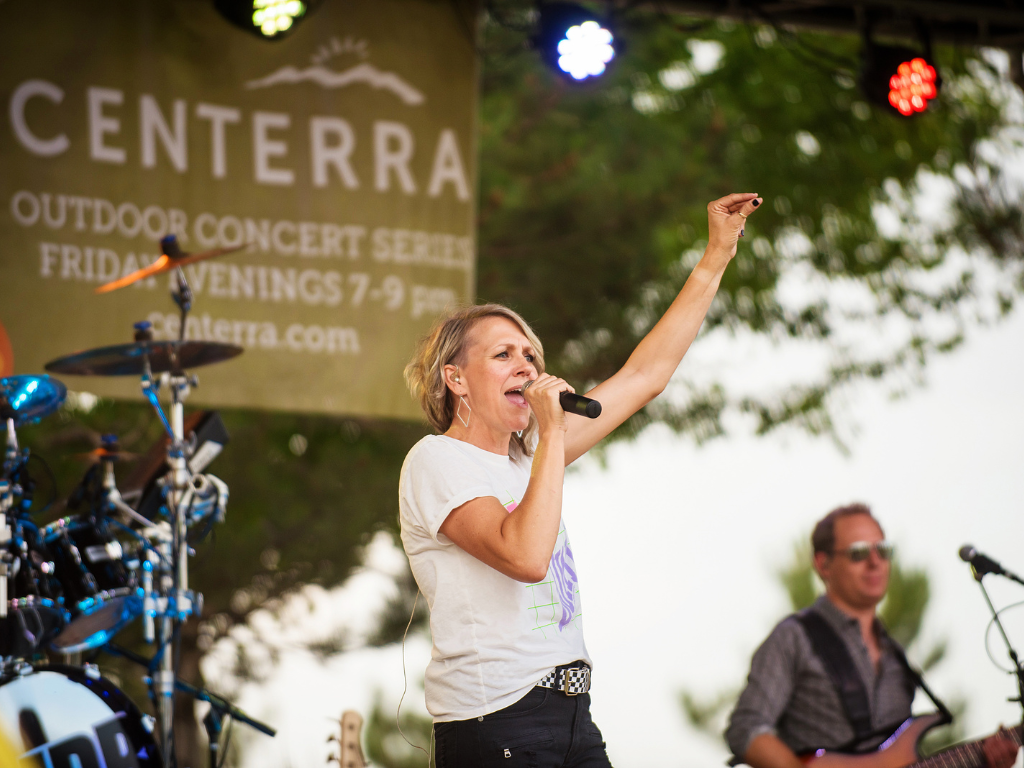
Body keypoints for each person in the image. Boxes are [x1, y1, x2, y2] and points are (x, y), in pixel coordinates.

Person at [399, 193, 763, 767]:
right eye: (503, 355)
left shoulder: (528, 457)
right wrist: (550, 433)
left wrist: (716, 254)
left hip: (570, 713)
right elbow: (525, 556)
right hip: (498, 723)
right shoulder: (435, 460)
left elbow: (645, 376)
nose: (526, 366)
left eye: (531, 355)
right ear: (456, 380)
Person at [726, 503, 1020, 768]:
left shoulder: (895, 655)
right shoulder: (793, 637)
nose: (875, 562)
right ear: (822, 564)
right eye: (858, 553)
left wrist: (986, 761)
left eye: (883, 550)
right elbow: (746, 728)